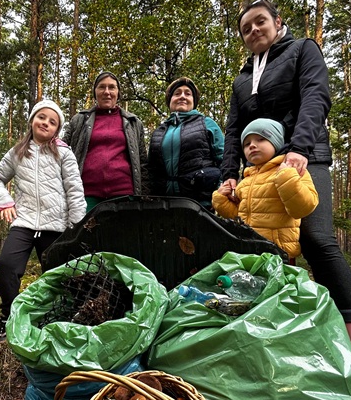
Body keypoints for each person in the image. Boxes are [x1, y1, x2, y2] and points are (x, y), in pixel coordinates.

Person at [221, 0, 351, 366]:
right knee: (264, 251)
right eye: (246, 29)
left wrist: (300, 146)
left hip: (304, 157)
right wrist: (229, 172)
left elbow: (315, 96)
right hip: (257, 173)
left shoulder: (304, 49)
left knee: (317, 241)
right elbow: (233, 129)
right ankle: (287, 343)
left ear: (277, 21)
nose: (253, 30)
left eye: (260, 22)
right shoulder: (242, 79)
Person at [0, 99, 86, 337]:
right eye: (41, 117)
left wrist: (76, 226)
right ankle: (8, 317)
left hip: (56, 226)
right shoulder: (17, 153)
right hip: (25, 222)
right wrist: (5, 201)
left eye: (52, 122)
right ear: (32, 120)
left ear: (56, 129)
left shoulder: (63, 153)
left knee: (59, 274)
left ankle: (60, 317)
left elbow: (75, 190)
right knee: (7, 266)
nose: (46, 123)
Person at [212, 118, 318, 260]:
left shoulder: (292, 170)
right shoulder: (245, 181)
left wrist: (286, 177)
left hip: (279, 254)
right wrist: (221, 200)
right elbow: (237, 216)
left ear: (276, 142)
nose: (252, 146)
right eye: (247, 144)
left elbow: (303, 208)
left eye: (261, 139)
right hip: (249, 251)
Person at [61, 71, 148, 212]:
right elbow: (62, 153)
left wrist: (144, 197)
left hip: (125, 196)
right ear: (95, 92)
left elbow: (143, 163)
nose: (107, 92)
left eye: (112, 87)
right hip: (85, 196)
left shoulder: (133, 123)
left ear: (118, 93)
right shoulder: (79, 120)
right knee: (86, 234)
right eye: (102, 87)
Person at [147, 77, 224, 206]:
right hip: (164, 205)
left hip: (199, 205)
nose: (182, 96)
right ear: (170, 100)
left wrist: (220, 190)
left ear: (193, 101)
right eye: (177, 94)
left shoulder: (207, 123)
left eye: (188, 94)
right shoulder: (159, 132)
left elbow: (224, 159)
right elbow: (151, 170)